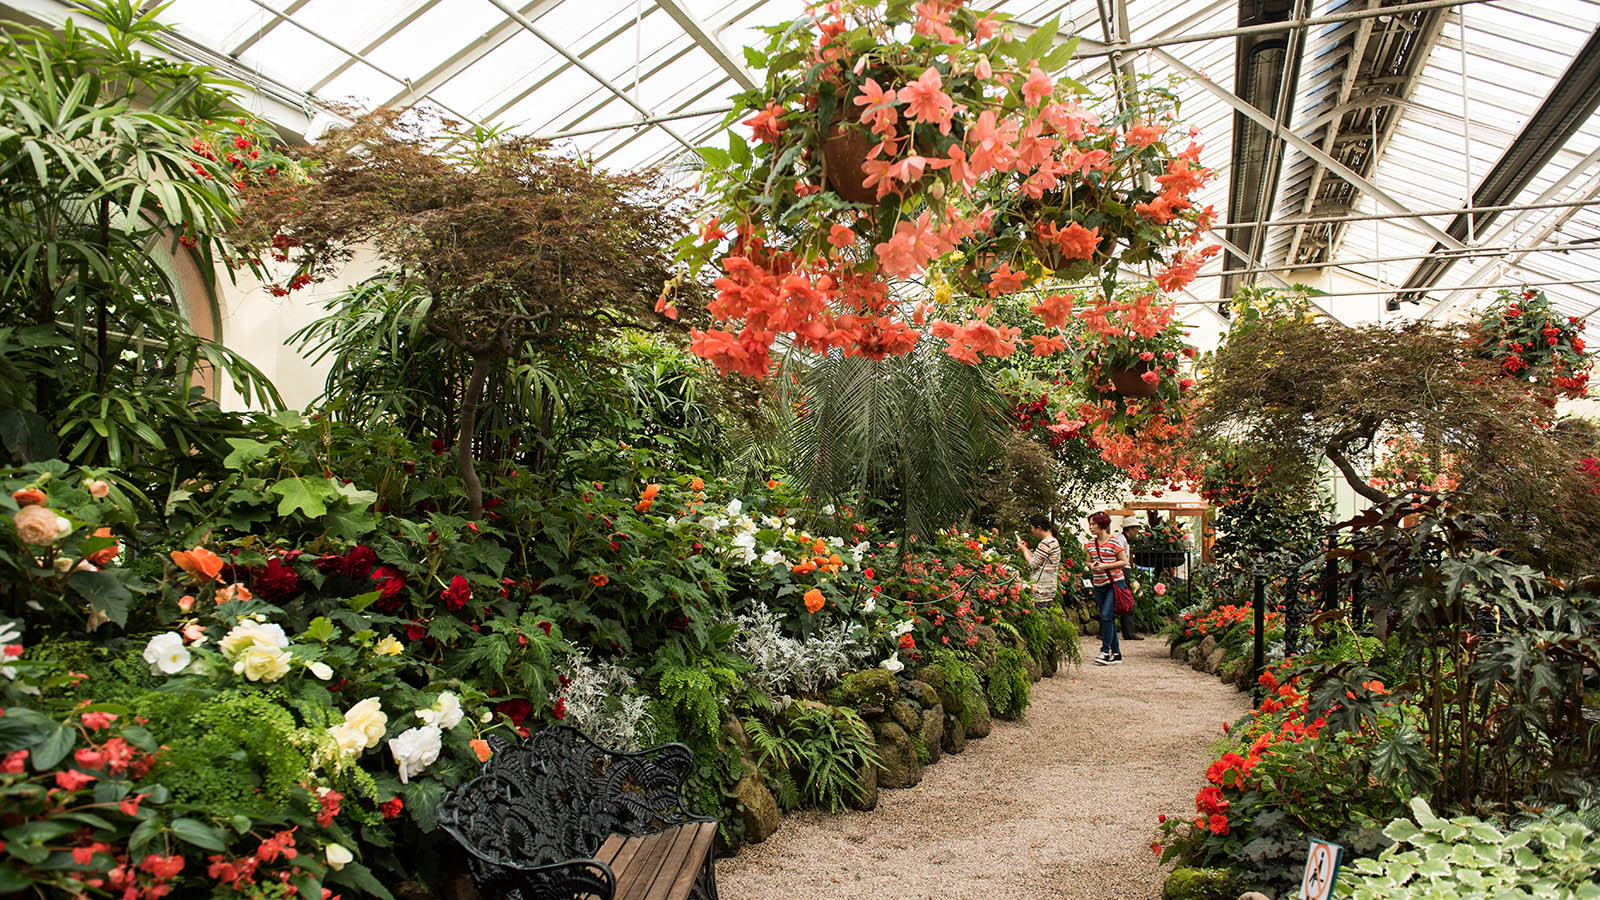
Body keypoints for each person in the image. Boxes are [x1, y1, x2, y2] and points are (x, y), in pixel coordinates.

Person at [1086, 511, 1129, 665]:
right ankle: (1116, 653)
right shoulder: (1090, 544)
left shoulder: (1114, 541)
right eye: (1090, 524)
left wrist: (1106, 566)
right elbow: (1088, 562)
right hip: (1099, 584)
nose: (1091, 527)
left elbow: (1123, 561)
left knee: (1105, 616)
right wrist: (1093, 566)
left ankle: (1104, 651)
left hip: (1114, 583)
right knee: (1108, 618)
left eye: (1093, 524)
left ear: (1102, 525)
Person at [1016, 514, 1061, 604]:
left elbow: (1034, 564)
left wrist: (1024, 550)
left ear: (1039, 528)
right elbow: (1038, 559)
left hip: (1041, 589)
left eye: (1032, 528)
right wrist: (1025, 549)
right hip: (1048, 587)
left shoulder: (1046, 543)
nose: (1032, 531)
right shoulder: (1052, 541)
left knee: (1042, 615)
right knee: (1047, 615)